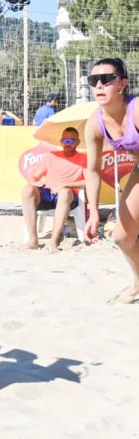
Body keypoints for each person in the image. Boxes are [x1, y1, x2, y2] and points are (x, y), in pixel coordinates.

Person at [82, 58, 139, 303]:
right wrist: (93, 211)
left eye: (106, 79)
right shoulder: (94, 123)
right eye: (94, 81)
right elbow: (92, 170)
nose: (99, 85)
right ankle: (138, 283)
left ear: (122, 84)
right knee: (122, 237)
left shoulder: (136, 110)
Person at [21, 127, 86, 252]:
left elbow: (89, 182)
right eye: (66, 140)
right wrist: (35, 182)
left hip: (69, 195)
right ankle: (33, 240)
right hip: (49, 192)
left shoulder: (84, 158)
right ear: (61, 141)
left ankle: (54, 240)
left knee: (65, 192)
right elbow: (34, 176)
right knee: (27, 190)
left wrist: (66, 185)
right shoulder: (51, 156)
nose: (68, 143)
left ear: (78, 142)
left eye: (72, 141)